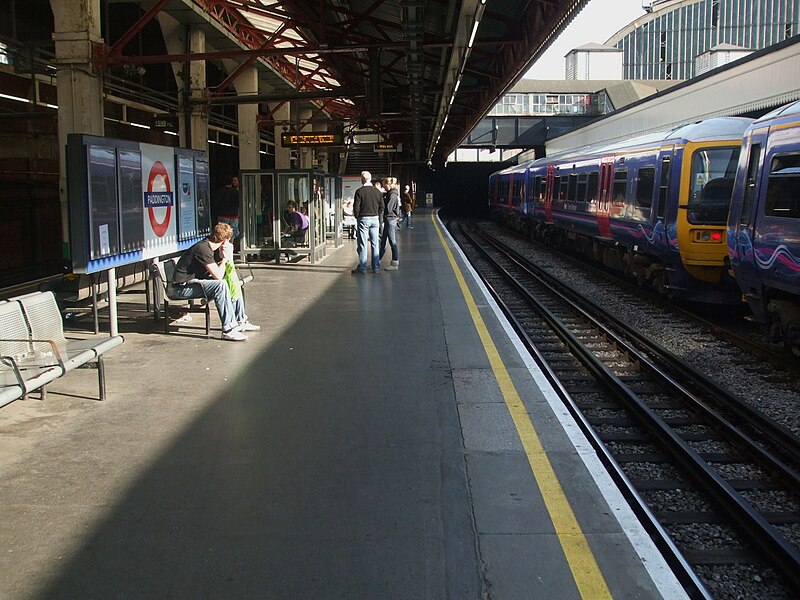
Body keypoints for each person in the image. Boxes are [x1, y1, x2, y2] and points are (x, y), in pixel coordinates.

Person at [170, 222, 260, 342]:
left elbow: (228, 271)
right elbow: (218, 276)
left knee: (233, 282)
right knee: (221, 285)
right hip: (181, 288)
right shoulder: (203, 249)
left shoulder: (213, 247)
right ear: (224, 240)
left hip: (194, 283)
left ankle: (240, 320)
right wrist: (225, 258)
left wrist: (229, 257)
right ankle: (228, 329)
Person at [351, 170, 383, 274]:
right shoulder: (377, 191)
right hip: (375, 219)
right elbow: (382, 206)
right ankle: (376, 267)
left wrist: (358, 216)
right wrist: (376, 214)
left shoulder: (359, 191)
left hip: (363, 218)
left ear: (362, 179)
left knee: (363, 244)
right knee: (375, 243)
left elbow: (356, 208)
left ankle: (362, 268)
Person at [379, 176, 402, 271]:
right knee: (383, 241)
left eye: (384, 184)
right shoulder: (392, 194)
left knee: (393, 242)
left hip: (390, 219)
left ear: (388, 184)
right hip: (390, 220)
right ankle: (377, 260)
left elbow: (388, 208)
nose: (383, 186)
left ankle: (395, 262)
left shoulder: (391, 195)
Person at [214, 175, 241, 240]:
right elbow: (239, 203)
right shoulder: (236, 192)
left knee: (222, 231)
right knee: (233, 232)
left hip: (223, 214)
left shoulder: (220, 191)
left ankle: (223, 244)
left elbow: (216, 202)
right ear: (231, 183)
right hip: (234, 215)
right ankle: (230, 244)